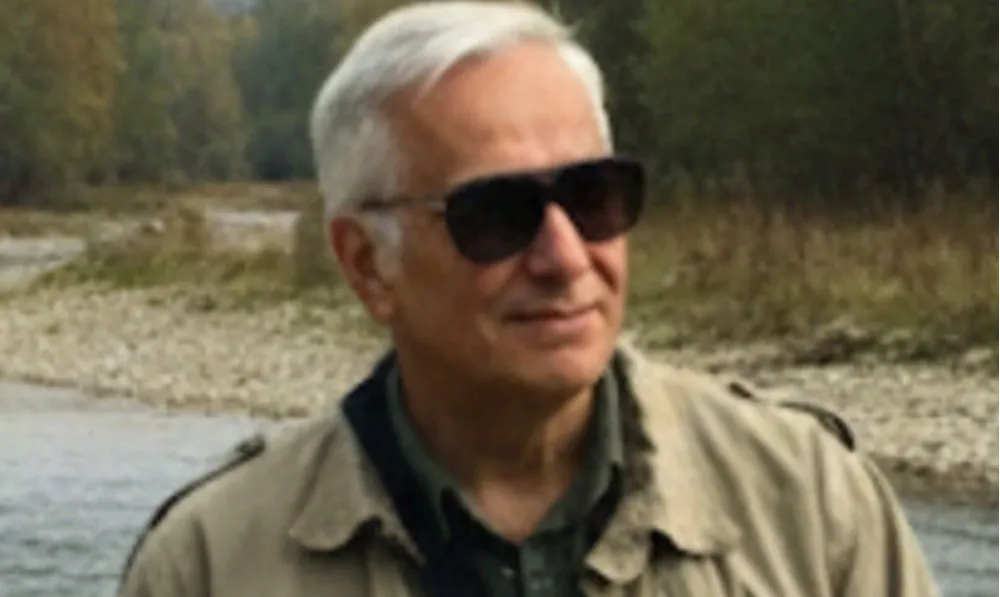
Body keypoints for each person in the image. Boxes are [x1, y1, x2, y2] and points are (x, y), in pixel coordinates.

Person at [117, 2, 939, 596]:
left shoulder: (811, 507)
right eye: (496, 215)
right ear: (367, 265)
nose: (564, 256)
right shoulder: (214, 564)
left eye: (593, 196)